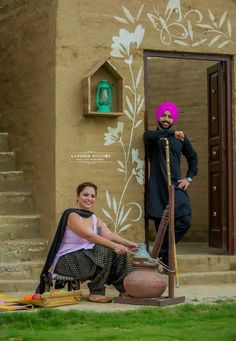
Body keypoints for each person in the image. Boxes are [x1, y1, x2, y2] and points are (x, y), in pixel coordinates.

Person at [36, 182, 138, 303]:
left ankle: (125, 290)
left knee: (119, 253)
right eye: (85, 195)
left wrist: (128, 243)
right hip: (67, 261)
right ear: (78, 196)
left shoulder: (94, 218)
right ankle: (96, 293)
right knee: (105, 249)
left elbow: (108, 234)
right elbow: (89, 235)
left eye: (92, 196)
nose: (89, 198)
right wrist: (115, 246)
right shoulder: (72, 215)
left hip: (87, 258)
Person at [143, 101, 198, 267]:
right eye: (163, 115)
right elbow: (149, 137)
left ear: (174, 119)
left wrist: (188, 178)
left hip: (175, 186)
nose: (166, 118)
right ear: (158, 117)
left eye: (170, 116)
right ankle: (164, 262)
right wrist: (172, 133)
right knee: (162, 227)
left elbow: (193, 157)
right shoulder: (152, 137)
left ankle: (161, 253)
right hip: (158, 188)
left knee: (185, 220)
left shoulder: (181, 139)